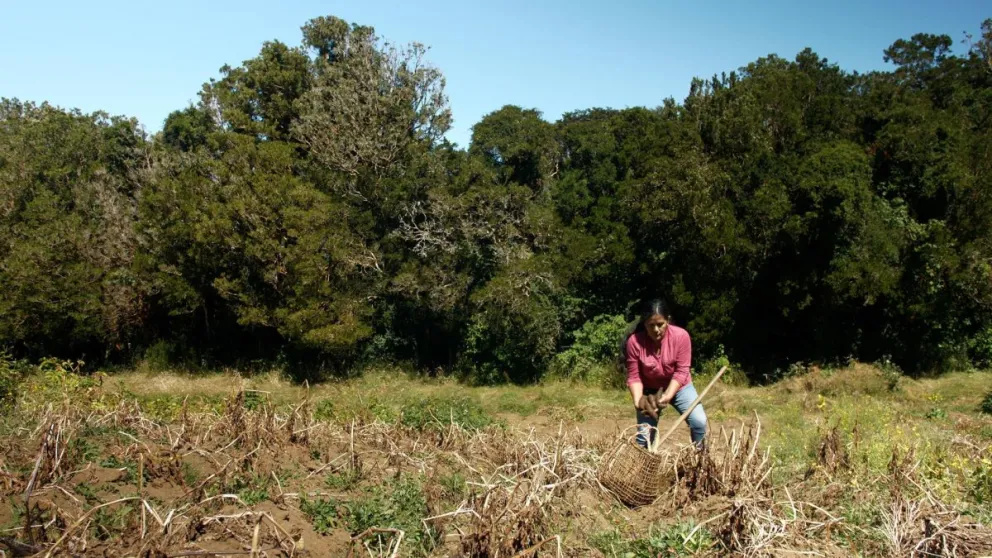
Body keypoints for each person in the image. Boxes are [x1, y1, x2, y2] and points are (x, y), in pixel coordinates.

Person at [623, 299, 707, 450]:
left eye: (660, 324)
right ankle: (643, 470)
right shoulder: (634, 342)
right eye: (651, 325)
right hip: (650, 392)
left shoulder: (681, 337)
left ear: (668, 320)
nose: (656, 329)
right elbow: (634, 376)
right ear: (644, 324)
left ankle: (700, 461)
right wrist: (639, 402)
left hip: (680, 387)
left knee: (699, 421)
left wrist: (667, 396)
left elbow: (682, 372)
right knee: (644, 437)